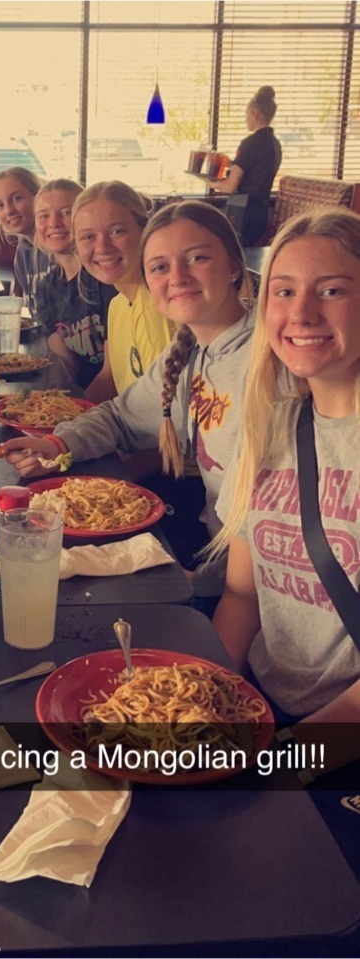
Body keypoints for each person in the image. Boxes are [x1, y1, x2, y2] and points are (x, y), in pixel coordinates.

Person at [0, 200, 254, 599]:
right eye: (160, 267)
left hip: (243, 582)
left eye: (197, 258)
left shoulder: (265, 359)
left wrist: (201, 583)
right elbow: (121, 417)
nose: (178, 277)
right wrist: (57, 444)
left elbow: (268, 523)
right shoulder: (189, 348)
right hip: (214, 552)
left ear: (234, 266)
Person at [209, 209, 360, 870]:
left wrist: (279, 767)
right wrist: (204, 707)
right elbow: (243, 596)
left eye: (332, 290)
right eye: (284, 290)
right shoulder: (271, 426)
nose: (301, 313)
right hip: (266, 713)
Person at [71, 182, 174, 402]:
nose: (102, 247)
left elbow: (164, 408)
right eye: (88, 237)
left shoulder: (159, 305)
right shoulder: (117, 305)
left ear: (145, 231)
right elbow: (109, 380)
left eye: (116, 231)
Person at [33, 178, 116, 390]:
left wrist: (74, 408)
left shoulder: (107, 278)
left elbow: (112, 375)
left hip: (113, 401)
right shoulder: (45, 289)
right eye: (43, 216)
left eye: (66, 212)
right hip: (79, 396)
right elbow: (65, 365)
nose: (53, 223)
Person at [217, 85, 281, 247]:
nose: (245, 118)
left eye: (247, 114)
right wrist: (230, 163)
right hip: (261, 213)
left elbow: (230, 186)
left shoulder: (249, 143)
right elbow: (255, 169)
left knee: (234, 253)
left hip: (243, 211)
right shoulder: (275, 144)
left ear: (255, 113)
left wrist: (208, 180)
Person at [0, 166, 50, 317]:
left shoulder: (59, 247)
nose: (9, 210)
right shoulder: (23, 252)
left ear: (38, 197)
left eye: (17, 198)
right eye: (0, 206)